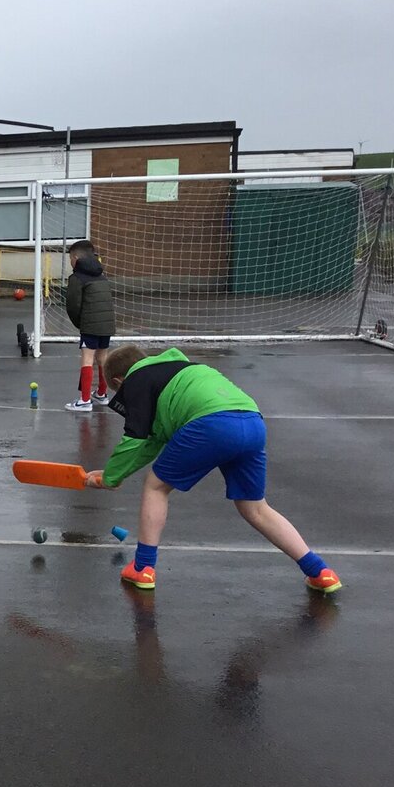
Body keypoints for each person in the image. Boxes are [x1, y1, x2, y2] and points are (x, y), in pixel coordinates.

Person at [85, 344, 342, 594]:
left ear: (119, 381)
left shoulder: (137, 380)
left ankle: (142, 568)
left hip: (210, 424)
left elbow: (135, 438)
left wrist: (111, 478)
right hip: (252, 421)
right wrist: (115, 474)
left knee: (156, 485)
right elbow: (153, 441)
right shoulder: (177, 371)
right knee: (255, 507)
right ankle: (320, 572)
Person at [63, 239, 114, 412]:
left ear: (76, 258)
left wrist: (80, 324)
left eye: (70, 258)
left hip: (90, 325)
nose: (70, 262)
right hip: (107, 325)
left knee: (87, 358)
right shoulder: (102, 275)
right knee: (103, 358)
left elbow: (73, 306)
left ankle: (84, 400)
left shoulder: (76, 278)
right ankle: (102, 393)